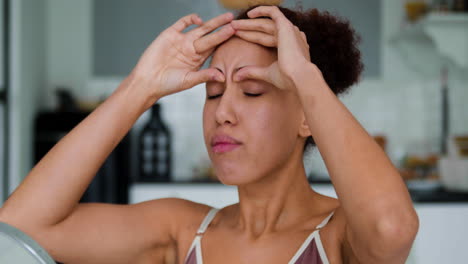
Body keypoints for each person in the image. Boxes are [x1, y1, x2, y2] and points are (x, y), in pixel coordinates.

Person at [0, 5, 418, 264]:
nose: (223, 113)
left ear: (307, 117)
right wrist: (139, 88)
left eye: (252, 91)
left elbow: (391, 227)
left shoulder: (339, 237)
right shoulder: (180, 233)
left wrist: (307, 81)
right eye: (213, 93)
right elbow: (21, 227)